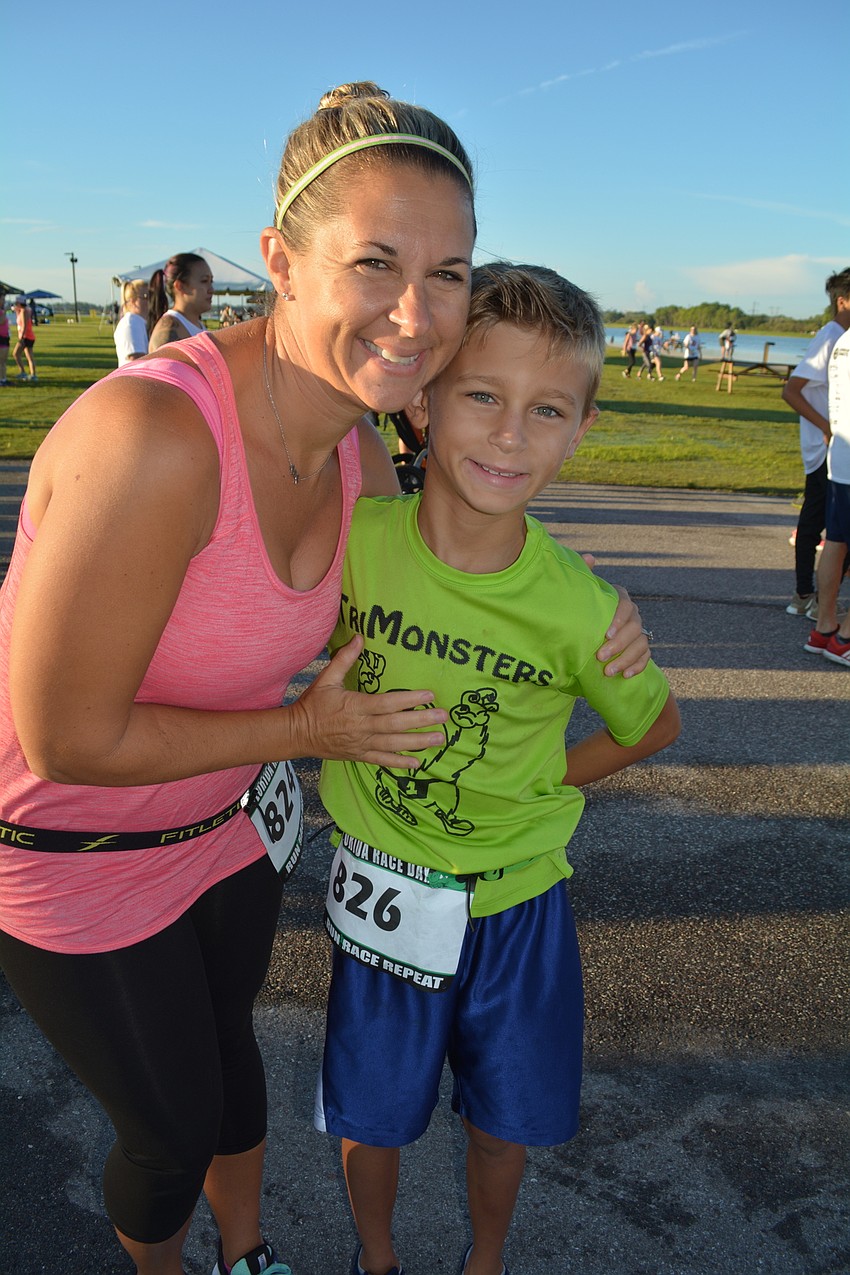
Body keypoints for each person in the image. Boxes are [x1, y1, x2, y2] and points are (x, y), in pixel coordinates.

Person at [0, 82, 649, 1275]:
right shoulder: (153, 439)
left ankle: (248, 1254)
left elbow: (450, 573)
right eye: (375, 263)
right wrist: (305, 730)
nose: (417, 312)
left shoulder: (360, 447)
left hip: (228, 822)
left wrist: (598, 617)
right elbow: (67, 739)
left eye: (448, 272)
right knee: (168, 1128)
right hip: (73, 841)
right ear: (280, 262)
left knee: (231, 1065)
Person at [314, 262, 680, 1275]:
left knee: (501, 1119)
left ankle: (485, 1261)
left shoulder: (581, 608)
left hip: (517, 902)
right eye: (483, 394)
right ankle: (377, 1259)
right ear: (423, 401)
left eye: (547, 410)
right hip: (385, 879)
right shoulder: (353, 545)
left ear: (580, 430)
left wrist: (550, 778)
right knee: (372, 1113)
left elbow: (653, 725)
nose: (511, 434)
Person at [781, 268, 850, 617]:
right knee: (828, 528)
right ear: (843, 301)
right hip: (828, 449)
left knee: (824, 524)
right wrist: (828, 427)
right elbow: (791, 391)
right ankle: (811, 598)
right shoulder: (831, 336)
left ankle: (811, 598)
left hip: (831, 449)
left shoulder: (839, 336)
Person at [804, 321, 850, 664]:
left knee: (835, 541)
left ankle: (824, 627)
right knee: (836, 542)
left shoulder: (844, 340)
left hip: (841, 458)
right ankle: (845, 638)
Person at [148, 252, 214, 350]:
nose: (211, 289)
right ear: (180, 286)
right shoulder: (168, 331)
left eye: (211, 281)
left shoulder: (195, 324)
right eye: (204, 281)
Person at [113, 278, 150, 366]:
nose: (150, 300)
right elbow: (136, 360)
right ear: (132, 301)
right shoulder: (131, 323)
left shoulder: (139, 322)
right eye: (146, 297)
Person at [12, 296, 37, 381]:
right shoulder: (25, 310)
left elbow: (24, 325)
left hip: (26, 336)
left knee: (16, 354)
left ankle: (23, 372)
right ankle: (33, 374)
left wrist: (21, 337)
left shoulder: (24, 311)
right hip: (29, 336)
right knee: (29, 356)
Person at [0, 291, 9, 385]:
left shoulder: (1, 310)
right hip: (1, 338)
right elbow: (1, 321)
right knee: (1, 361)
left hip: (5, 337)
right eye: (2, 299)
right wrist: (5, 311)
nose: (4, 301)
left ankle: (4, 379)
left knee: (3, 361)